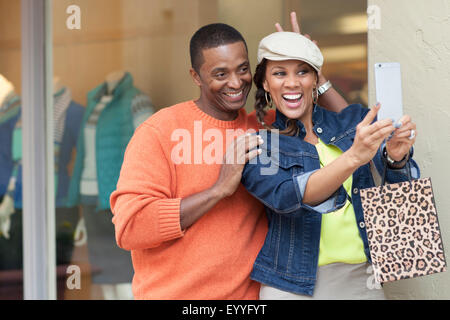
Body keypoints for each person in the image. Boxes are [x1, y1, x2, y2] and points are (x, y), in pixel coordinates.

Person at [110, 14, 347, 299]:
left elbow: (347, 129)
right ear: (195, 76)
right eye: (220, 74)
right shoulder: (160, 131)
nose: (236, 83)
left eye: (243, 69)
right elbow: (131, 227)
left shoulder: (268, 127)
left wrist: (308, 67)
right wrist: (218, 190)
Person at [241, 31, 420, 299]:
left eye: (302, 72)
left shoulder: (354, 121)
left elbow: (400, 202)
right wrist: (353, 157)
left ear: (316, 79)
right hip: (291, 286)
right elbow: (288, 197)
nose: (292, 83)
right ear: (265, 83)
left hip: (364, 278)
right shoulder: (261, 145)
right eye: (279, 73)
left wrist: (396, 159)